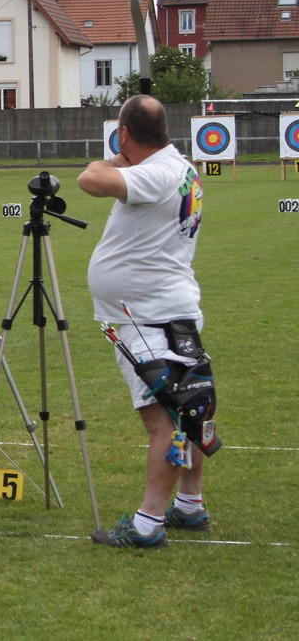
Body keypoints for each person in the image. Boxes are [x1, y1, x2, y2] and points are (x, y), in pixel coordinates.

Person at [78, 94, 213, 548]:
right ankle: (189, 505)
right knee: (186, 408)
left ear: (126, 132)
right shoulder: (182, 168)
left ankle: (147, 523)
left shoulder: (154, 173)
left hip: (147, 317)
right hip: (166, 308)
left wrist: (116, 154)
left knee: (164, 421)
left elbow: (90, 179)